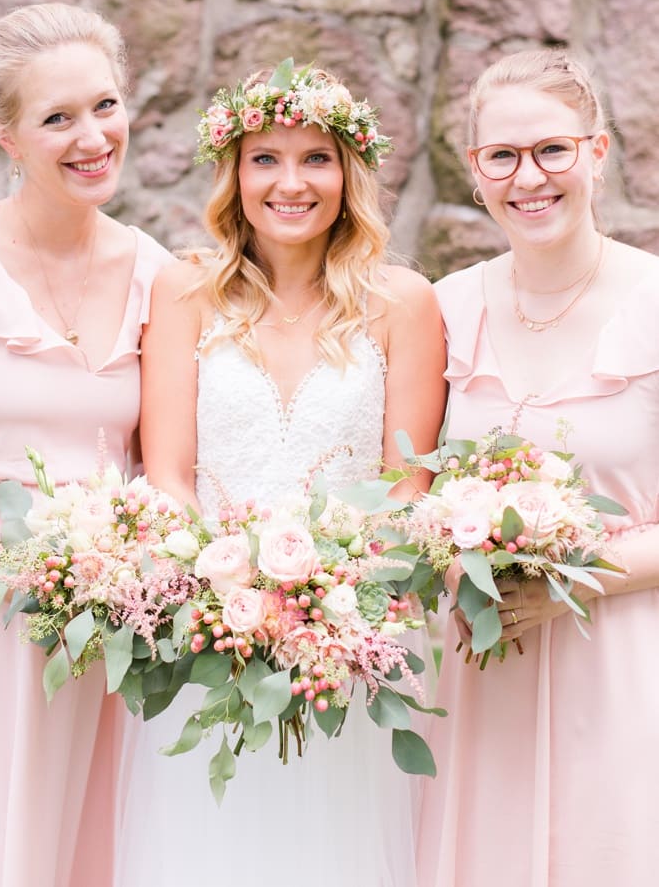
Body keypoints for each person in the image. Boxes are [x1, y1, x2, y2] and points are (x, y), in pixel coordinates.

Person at [117, 61, 446, 885]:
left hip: (349, 634)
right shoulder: (184, 287)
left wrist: (329, 605)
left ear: (350, 174)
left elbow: (408, 487)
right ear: (233, 172)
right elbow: (167, 473)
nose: (290, 183)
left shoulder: (403, 301)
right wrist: (229, 599)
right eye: (265, 158)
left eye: (316, 159)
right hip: (212, 631)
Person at [0, 3, 173, 887]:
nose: (91, 136)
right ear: (7, 137)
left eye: (104, 106)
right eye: (57, 119)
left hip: (99, 605)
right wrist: (7, 574)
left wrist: (121, 573)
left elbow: (160, 465)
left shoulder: (156, 274)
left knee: (75, 833)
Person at [417, 49, 659, 887]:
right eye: (502, 158)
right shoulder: (444, 307)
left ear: (597, 152)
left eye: (553, 150)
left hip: (621, 658)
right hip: (478, 672)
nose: (530, 178)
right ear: (477, 173)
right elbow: (401, 487)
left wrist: (574, 575)